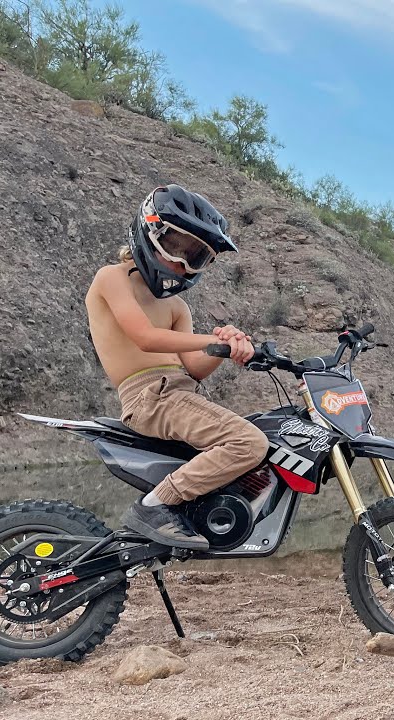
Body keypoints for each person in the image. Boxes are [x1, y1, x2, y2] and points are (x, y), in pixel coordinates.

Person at [84, 184, 267, 550]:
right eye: (175, 247)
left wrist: (223, 347)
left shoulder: (178, 308)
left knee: (264, 436)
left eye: (195, 257)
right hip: (150, 397)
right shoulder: (112, 277)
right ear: (149, 231)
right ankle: (153, 507)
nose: (180, 264)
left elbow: (195, 370)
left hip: (180, 393)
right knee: (248, 442)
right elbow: (146, 338)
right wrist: (210, 340)